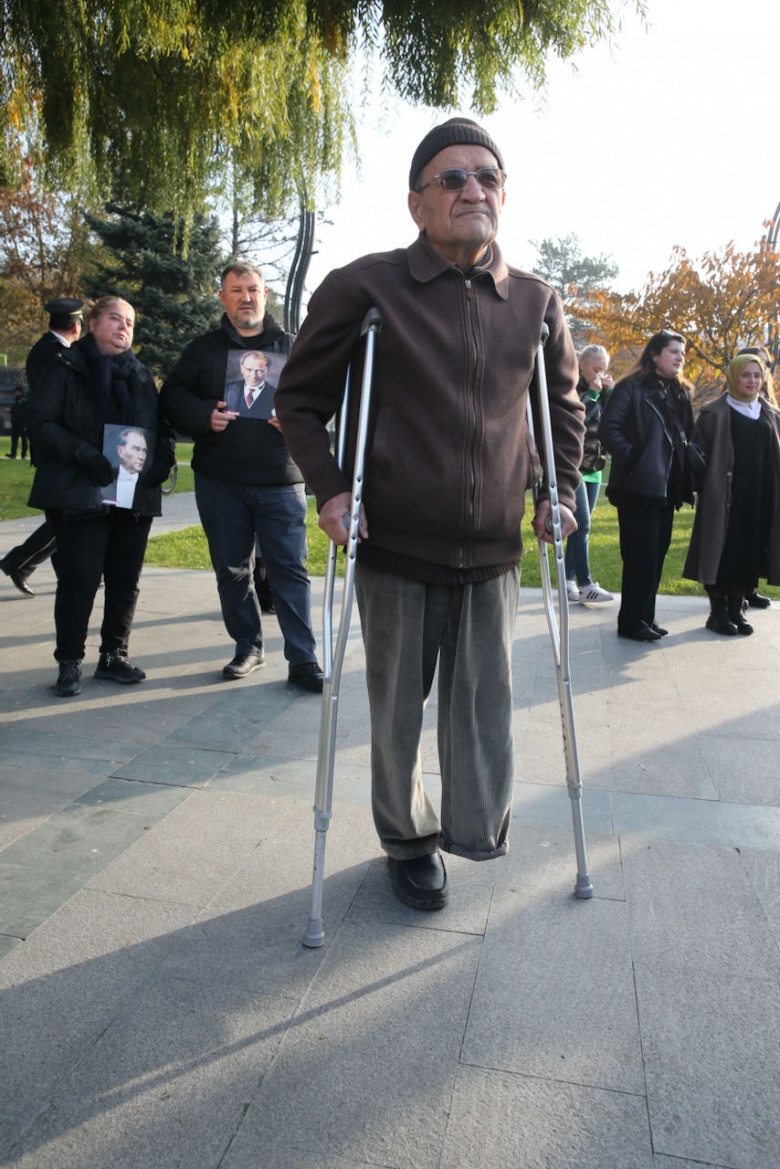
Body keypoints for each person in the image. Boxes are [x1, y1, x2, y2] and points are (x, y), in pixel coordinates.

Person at [275, 117, 584, 911]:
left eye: (486, 176)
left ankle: (474, 828)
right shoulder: (364, 288)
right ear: (416, 203)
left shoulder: (536, 301)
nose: (471, 189)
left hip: (494, 551)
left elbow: (562, 406)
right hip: (397, 547)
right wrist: (332, 486)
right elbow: (299, 400)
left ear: (503, 196)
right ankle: (408, 840)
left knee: (483, 711)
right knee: (396, 717)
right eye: (450, 178)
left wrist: (560, 486)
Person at [160, 261, 323, 690]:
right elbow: (172, 395)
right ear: (223, 298)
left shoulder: (294, 347)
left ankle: (303, 658)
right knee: (231, 569)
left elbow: (323, 397)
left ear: (265, 295)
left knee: (290, 570)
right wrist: (201, 415)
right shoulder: (204, 350)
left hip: (281, 478)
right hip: (221, 478)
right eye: (236, 290)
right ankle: (248, 646)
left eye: (252, 289)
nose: (246, 297)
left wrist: (297, 420)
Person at [26, 295, 175, 697]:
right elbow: (38, 422)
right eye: (114, 318)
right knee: (80, 579)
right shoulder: (65, 368)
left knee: (125, 580)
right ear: (92, 323)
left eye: (129, 321)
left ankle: (113, 656)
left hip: (133, 496)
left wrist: (161, 461)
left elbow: (161, 429)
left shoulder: (141, 376)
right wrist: (83, 453)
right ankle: (70, 660)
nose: (123, 327)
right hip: (81, 490)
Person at [599, 329, 695, 642]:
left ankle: (646, 617)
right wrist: (636, 459)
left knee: (657, 554)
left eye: (682, 352)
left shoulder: (679, 391)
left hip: (666, 487)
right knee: (640, 556)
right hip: (637, 487)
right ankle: (631, 622)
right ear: (654, 354)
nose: (680, 357)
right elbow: (609, 430)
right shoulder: (631, 388)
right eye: (673, 351)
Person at [682, 353, 780, 634]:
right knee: (721, 551)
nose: (752, 381)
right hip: (723, 496)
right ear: (734, 377)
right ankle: (718, 613)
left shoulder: (770, 414)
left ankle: (737, 608)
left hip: (759, 496)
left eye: (757, 376)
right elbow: (698, 455)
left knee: (750, 550)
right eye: (746, 375)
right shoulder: (714, 412)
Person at [0, 297, 86, 597]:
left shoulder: (43, 349)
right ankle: (20, 561)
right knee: (69, 516)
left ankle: (71, 573)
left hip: (51, 443)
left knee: (63, 516)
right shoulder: (60, 355)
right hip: (59, 445)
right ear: (77, 325)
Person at [564, 345, 614, 606]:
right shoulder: (572, 390)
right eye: (596, 369)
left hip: (595, 468)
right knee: (582, 524)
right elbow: (577, 422)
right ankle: (585, 583)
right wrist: (594, 394)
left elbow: (612, 422)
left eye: (604, 370)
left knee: (578, 528)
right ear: (581, 366)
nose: (600, 374)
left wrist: (609, 393)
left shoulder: (601, 392)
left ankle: (568, 580)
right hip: (575, 467)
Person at [736, 345, 777, 609]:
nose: (757, 375)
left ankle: (749, 588)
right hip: (738, 483)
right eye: (750, 369)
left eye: (763, 368)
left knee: (759, 537)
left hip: (765, 482)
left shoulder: (769, 407)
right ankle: (731, 595)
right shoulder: (729, 405)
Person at [102, 427, 150, 508]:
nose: (142, 457)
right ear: (120, 451)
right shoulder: (106, 478)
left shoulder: (147, 484)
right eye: (136, 449)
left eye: (144, 451)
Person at [224, 351, 277, 416]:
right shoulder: (227, 389)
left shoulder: (276, 395)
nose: (253, 376)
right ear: (241, 369)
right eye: (249, 370)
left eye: (259, 371)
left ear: (267, 371)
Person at [7, 386, 29, 459]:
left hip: (22, 424)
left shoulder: (23, 401)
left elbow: (25, 412)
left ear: (20, 392)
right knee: (14, 440)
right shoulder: (16, 401)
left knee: (24, 440)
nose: (15, 393)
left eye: (16, 391)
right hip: (15, 424)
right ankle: (13, 453)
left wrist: (25, 423)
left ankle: (24, 454)